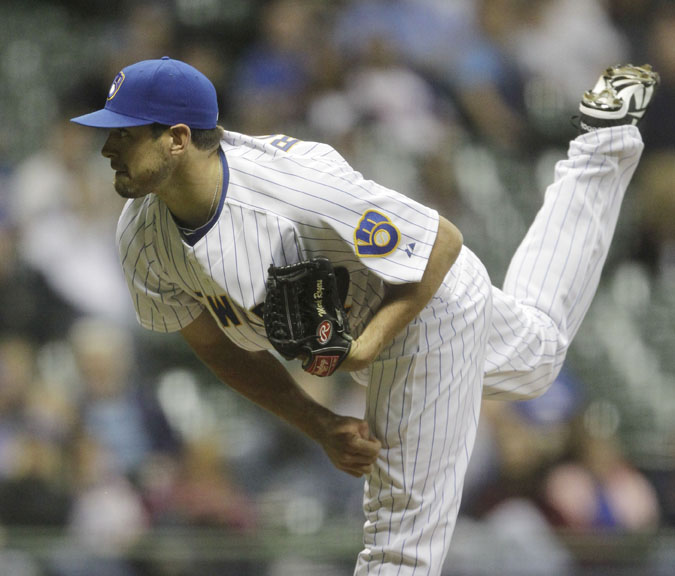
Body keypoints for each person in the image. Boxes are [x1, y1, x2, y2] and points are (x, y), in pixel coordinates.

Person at [71, 57, 658, 575]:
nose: (106, 148)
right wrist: (318, 423)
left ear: (176, 138)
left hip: (425, 309)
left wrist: (369, 344)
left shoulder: (296, 190)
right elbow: (217, 346)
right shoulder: (141, 236)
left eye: (123, 134)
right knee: (539, 357)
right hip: (376, 315)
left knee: (398, 548)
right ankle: (603, 140)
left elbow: (441, 243)